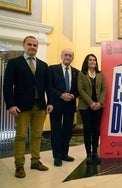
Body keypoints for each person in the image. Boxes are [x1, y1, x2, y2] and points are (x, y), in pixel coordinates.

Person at [3, 36, 54, 178]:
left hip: (40, 107)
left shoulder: (43, 65)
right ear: (24, 46)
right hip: (21, 107)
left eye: (35, 45)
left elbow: (48, 86)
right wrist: (11, 104)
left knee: (37, 135)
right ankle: (19, 165)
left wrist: (50, 102)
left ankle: (35, 161)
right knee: (20, 136)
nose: (32, 47)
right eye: (30, 44)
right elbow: (7, 86)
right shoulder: (14, 63)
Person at [47, 48, 79, 166]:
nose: (68, 57)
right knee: (56, 131)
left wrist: (73, 95)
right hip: (56, 105)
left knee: (67, 131)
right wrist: (61, 95)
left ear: (73, 58)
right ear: (61, 56)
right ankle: (57, 156)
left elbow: (78, 90)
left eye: (70, 56)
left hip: (70, 105)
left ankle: (65, 153)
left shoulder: (77, 72)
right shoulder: (52, 69)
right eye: (66, 55)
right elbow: (49, 86)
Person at [77, 54, 107, 165]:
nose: (92, 61)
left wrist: (99, 103)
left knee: (96, 130)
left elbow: (104, 89)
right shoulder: (82, 74)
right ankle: (88, 155)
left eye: (94, 60)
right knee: (87, 130)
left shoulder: (100, 74)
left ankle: (95, 153)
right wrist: (91, 103)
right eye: (90, 60)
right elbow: (80, 90)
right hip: (86, 107)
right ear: (86, 62)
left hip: (99, 107)